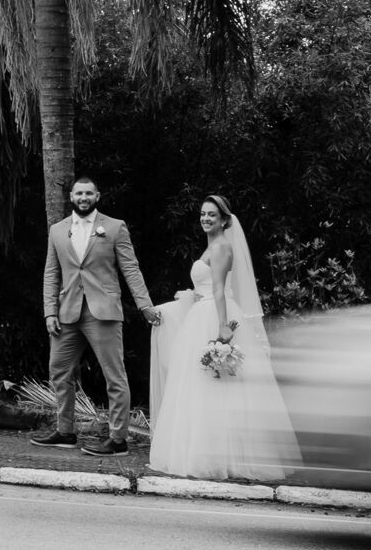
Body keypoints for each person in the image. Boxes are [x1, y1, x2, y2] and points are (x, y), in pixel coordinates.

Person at [147, 195, 301, 480]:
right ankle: (209, 451)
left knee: (216, 383)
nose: (206, 219)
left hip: (214, 315)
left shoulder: (220, 247)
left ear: (224, 220)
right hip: (204, 310)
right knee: (206, 384)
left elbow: (218, 289)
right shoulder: (212, 245)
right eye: (203, 214)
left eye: (212, 215)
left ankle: (221, 455)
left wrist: (222, 327)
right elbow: (208, 287)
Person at [34, 176, 162, 457]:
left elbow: (131, 268)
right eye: (79, 193)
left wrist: (145, 305)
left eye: (88, 193)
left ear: (97, 196)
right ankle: (65, 432)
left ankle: (118, 440)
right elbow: (51, 273)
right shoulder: (57, 230)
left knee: (114, 376)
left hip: (103, 313)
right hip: (67, 312)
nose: (84, 198)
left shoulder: (115, 227)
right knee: (59, 371)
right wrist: (49, 312)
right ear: (71, 196)